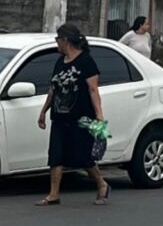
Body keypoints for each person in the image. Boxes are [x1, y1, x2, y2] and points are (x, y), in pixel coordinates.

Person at [36, 23, 110, 207]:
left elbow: (93, 90)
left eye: (57, 39)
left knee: (84, 157)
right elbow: (53, 89)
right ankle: (54, 194)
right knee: (56, 156)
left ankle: (101, 184)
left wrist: (99, 116)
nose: (56, 43)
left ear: (65, 40)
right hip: (60, 117)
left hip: (82, 118)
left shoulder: (86, 61)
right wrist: (44, 111)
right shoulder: (60, 62)